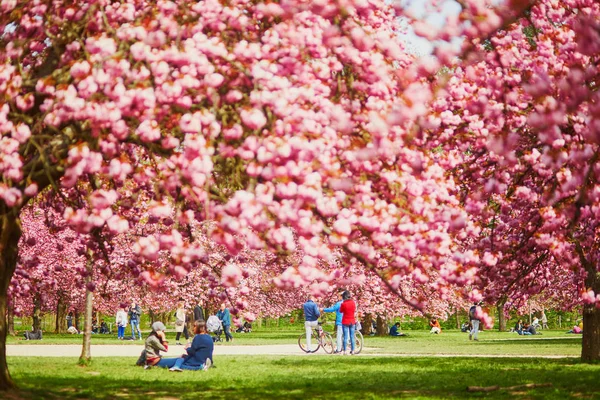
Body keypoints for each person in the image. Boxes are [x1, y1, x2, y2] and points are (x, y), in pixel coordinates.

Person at [339, 290, 357, 355]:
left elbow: (341, 311)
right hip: (352, 321)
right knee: (352, 336)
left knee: (345, 336)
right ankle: (353, 350)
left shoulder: (343, 304)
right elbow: (354, 309)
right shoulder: (353, 303)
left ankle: (345, 350)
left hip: (345, 321)